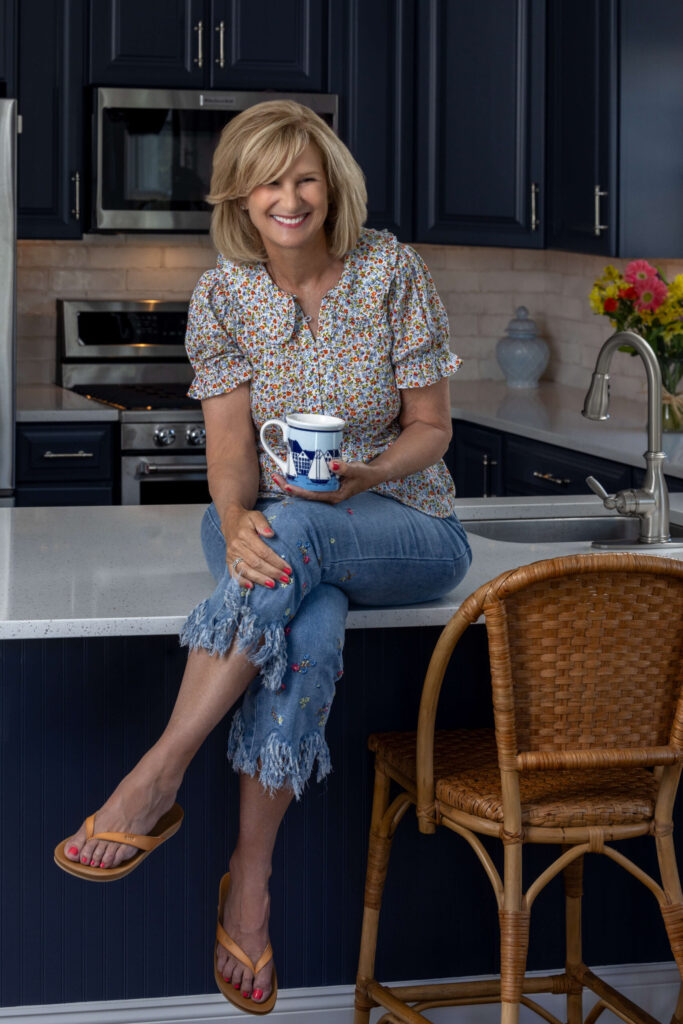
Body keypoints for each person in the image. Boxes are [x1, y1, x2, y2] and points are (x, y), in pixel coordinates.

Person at [54, 100, 472, 1014]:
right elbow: (230, 458)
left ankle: (155, 775)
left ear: (333, 186)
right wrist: (237, 518)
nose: (290, 197)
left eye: (305, 177)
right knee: (308, 623)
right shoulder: (222, 294)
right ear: (241, 196)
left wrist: (363, 477)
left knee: (300, 534)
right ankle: (250, 884)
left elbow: (432, 429)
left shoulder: (390, 271)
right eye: (270, 180)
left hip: (404, 522)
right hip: (273, 522)